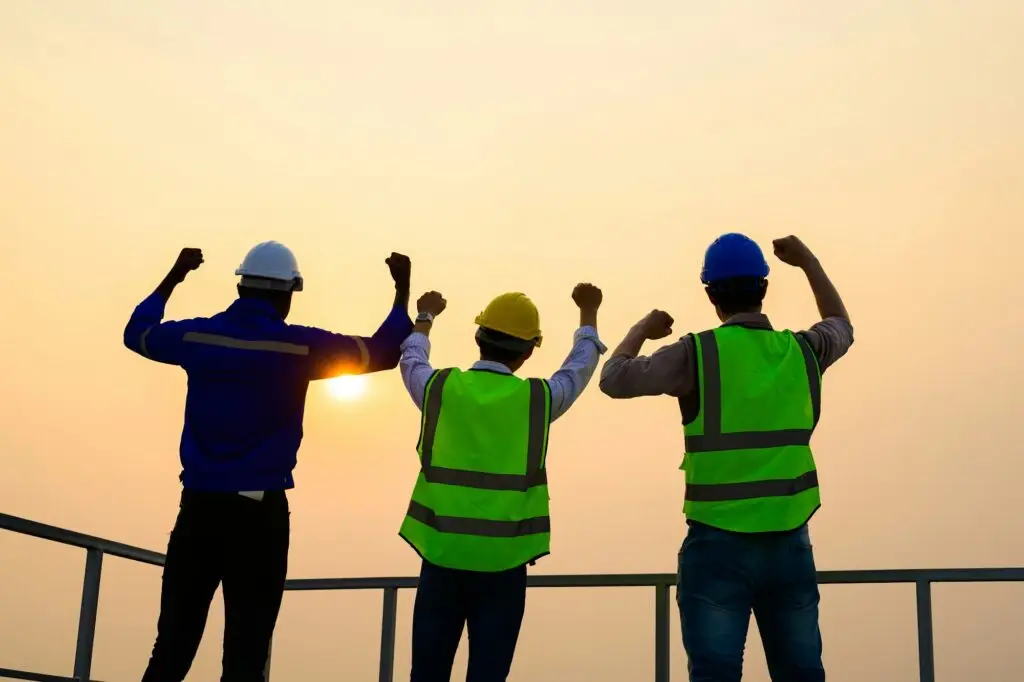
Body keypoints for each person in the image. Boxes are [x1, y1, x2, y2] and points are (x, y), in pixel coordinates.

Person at [123, 241, 415, 682]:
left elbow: (138, 333)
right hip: (259, 518)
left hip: (199, 510)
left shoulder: (199, 337)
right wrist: (401, 293)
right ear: (289, 293)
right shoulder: (297, 347)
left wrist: (175, 276)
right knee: (246, 651)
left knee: (172, 647)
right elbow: (384, 352)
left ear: (241, 286)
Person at [599, 234, 854, 682]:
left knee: (714, 673)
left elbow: (614, 379)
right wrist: (808, 261)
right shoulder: (801, 351)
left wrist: (642, 328)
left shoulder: (697, 354)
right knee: (801, 672)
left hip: (717, 545)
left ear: (711, 295)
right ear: (764, 289)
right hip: (789, 540)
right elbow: (840, 325)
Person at [397, 284, 606, 682]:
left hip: (441, 558)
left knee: (427, 673)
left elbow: (411, 358)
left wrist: (425, 317)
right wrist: (588, 315)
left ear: (478, 339)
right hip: (504, 568)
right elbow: (578, 368)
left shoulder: (440, 390)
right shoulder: (538, 400)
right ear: (528, 352)